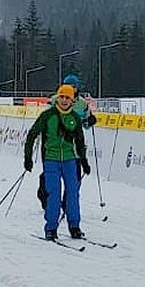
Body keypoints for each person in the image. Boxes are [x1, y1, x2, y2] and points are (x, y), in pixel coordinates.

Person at [25, 84, 92, 241]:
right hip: (51, 160)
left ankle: (74, 227)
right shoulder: (48, 116)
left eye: (67, 98)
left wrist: (84, 161)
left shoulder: (74, 118)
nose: (64, 100)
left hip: (70, 160)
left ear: (72, 101)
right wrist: (28, 158)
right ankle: (51, 228)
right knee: (53, 194)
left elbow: (80, 141)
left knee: (72, 194)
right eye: (61, 97)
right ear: (57, 98)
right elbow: (32, 135)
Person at [38, 74, 96, 209]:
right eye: (68, 86)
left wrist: (90, 121)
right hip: (54, 147)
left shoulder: (82, 104)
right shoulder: (54, 100)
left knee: (74, 179)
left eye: (74, 87)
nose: (71, 89)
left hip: (74, 149)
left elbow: (86, 124)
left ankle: (67, 204)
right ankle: (45, 197)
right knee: (51, 177)